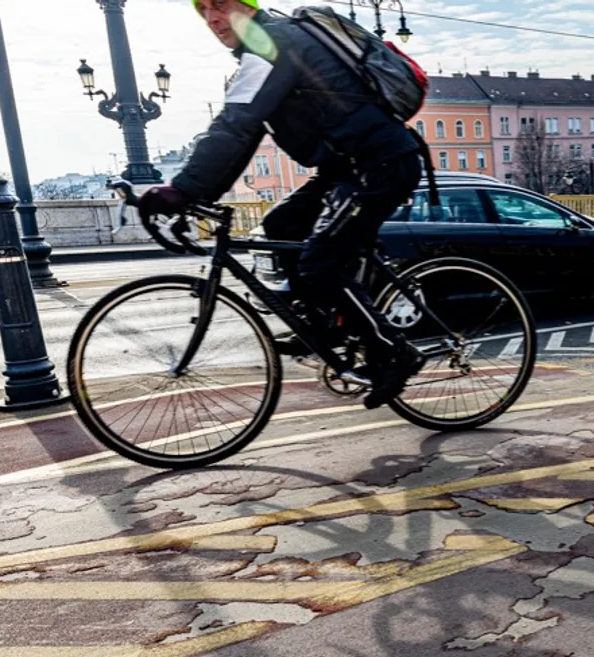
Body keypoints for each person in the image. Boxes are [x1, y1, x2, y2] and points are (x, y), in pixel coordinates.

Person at [139, 0, 425, 409]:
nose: (213, 18)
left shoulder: (273, 43)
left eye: (220, 4)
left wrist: (181, 190)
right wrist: (196, 194)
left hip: (378, 163)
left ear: (249, 6)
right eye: (203, 10)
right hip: (345, 165)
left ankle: (394, 353)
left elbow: (235, 124)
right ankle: (323, 327)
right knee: (280, 227)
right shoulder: (263, 48)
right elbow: (245, 133)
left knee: (321, 261)